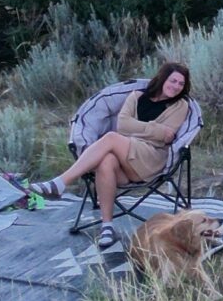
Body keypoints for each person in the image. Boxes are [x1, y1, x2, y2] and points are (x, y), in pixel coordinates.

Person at [34, 62, 193, 258]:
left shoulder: (180, 105)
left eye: (180, 83)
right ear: (162, 79)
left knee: (110, 138)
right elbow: (123, 125)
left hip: (152, 158)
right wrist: (155, 130)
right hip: (127, 162)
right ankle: (107, 227)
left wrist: (137, 130)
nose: (176, 86)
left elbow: (168, 137)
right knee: (106, 160)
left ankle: (61, 182)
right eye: (173, 80)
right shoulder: (135, 97)